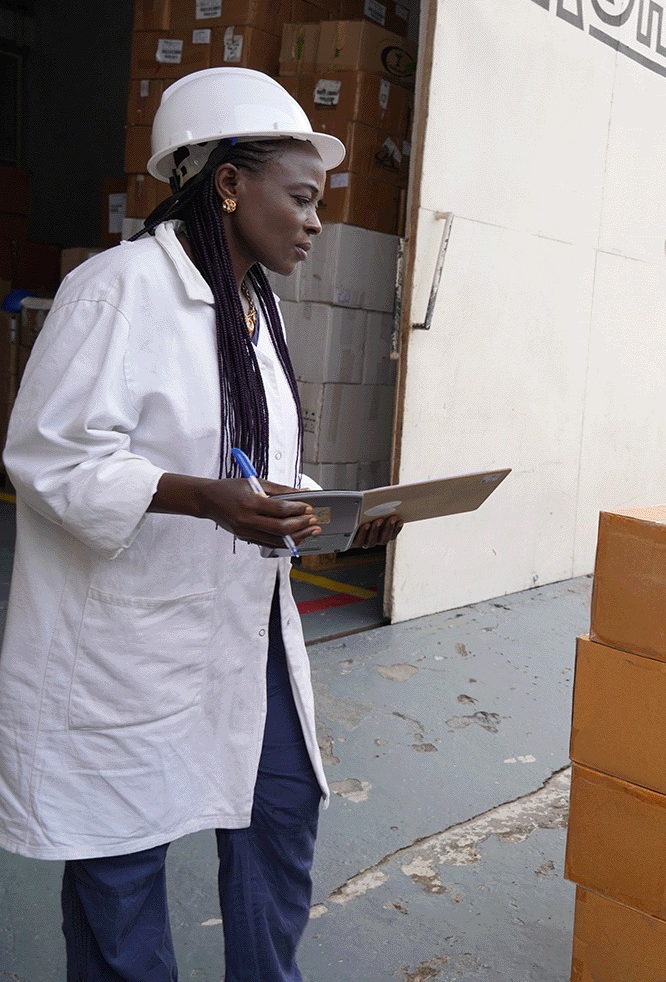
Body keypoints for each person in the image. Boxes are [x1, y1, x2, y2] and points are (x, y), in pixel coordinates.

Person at [0, 68, 399, 980]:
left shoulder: (257, 309)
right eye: (300, 197)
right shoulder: (119, 289)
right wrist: (202, 497)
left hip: (237, 623)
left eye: (318, 202)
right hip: (131, 639)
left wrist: (335, 514)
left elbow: (256, 461)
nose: (315, 221)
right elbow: (51, 457)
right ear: (227, 183)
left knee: (283, 809)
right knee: (121, 861)